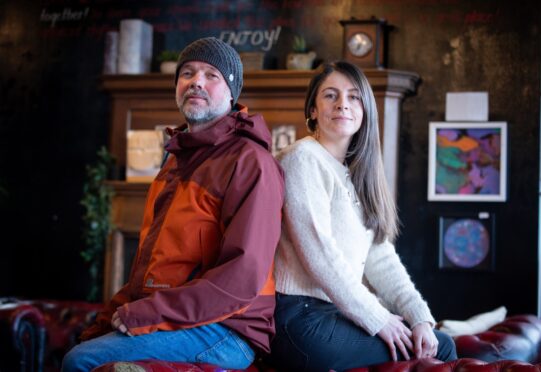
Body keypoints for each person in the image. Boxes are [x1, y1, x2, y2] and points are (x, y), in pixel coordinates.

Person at [62, 37, 285, 371]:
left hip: (228, 329)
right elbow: (150, 267)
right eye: (188, 73)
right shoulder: (177, 159)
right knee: (84, 346)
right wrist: (107, 319)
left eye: (212, 75)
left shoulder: (250, 161)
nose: (196, 81)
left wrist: (145, 314)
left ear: (232, 92)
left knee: (82, 361)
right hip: (180, 320)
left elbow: (241, 277)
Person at [269, 61, 456, 372]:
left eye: (354, 97)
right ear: (313, 110)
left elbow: (380, 257)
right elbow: (319, 252)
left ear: (365, 109)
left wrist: (418, 316)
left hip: (331, 313)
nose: (343, 103)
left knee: (436, 341)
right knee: (444, 348)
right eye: (330, 95)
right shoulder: (302, 159)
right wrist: (378, 318)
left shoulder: (353, 175)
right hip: (299, 320)